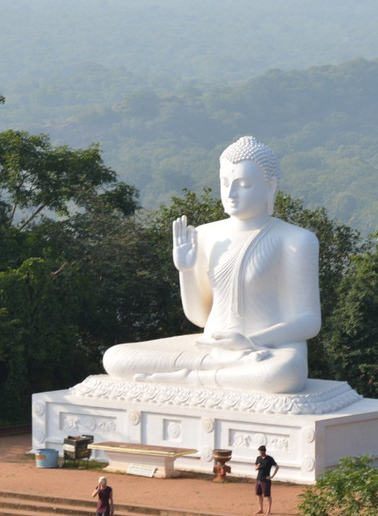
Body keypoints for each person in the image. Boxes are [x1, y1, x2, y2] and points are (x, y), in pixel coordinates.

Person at [102, 136, 321, 394]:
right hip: (210, 348)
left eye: (244, 184)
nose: (231, 194)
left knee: (285, 373)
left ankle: (190, 378)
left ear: (270, 186)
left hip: (266, 349)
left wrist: (251, 341)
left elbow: (309, 321)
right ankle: (218, 370)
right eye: (225, 183)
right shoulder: (205, 235)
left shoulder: (296, 240)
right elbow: (199, 317)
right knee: (115, 357)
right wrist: (185, 271)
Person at [253, 445, 278, 515]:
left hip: (265, 480)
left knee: (267, 495)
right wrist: (257, 467)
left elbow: (277, 467)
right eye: (259, 452)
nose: (260, 453)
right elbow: (255, 468)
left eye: (260, 452)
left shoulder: (269, 459)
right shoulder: (258, 458)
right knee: (259, 494)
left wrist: (272, 476)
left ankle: (269, 510)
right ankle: (261, 509)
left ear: (264, 451)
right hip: (258, 479)